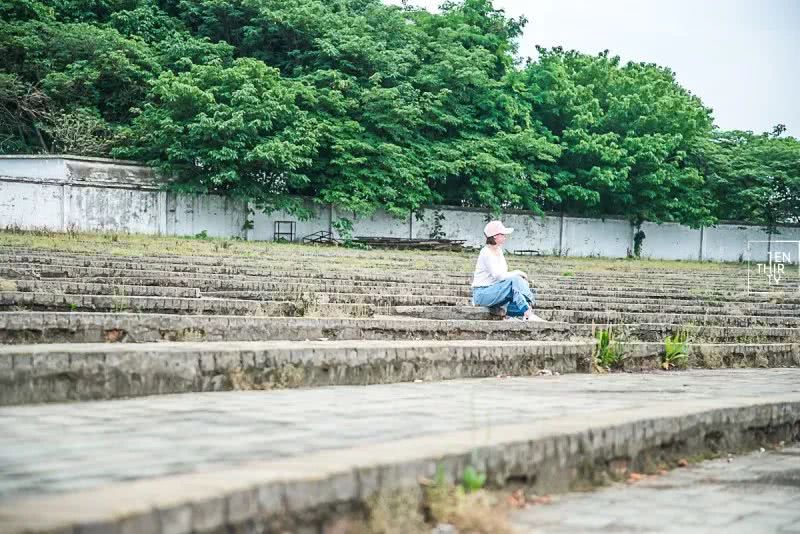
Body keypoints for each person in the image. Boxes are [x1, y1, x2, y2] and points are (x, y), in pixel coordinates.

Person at [471, 220, 545, 321]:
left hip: (495, 291)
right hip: (482, 293)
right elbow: (499, 276)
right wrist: (517, 272)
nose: (505, 237)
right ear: (495, 236)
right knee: (515, 281)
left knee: (518, 283)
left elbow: (504, 275)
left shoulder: (499, 251)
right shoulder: (486, 252)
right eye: (502, 234)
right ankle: (527, 313)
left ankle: (520, 313)